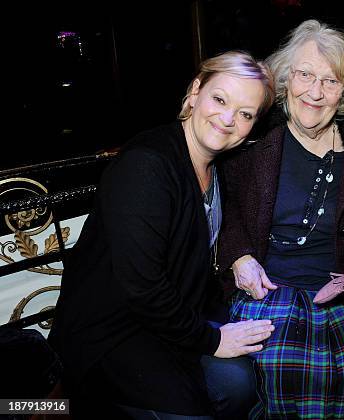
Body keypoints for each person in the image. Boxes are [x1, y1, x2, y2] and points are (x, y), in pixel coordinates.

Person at [49, 51, 276, 420]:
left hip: (174, 320)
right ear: (194, 93)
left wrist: (241, 259)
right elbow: (143, 288)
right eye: (220, 99)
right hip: (115, 332)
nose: (228, 119)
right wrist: (214, 339)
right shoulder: (147, 165)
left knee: (241, 386)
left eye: (246, 114)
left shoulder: (216, 166)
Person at [217, 20, 344, 419]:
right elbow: (220, 207)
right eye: (304, 75)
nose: (314, 93)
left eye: (330, 82)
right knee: (280, 365)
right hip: (268, 291)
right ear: (285, 77)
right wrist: (239, 256)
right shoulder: (253, 138)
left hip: (343, 293)